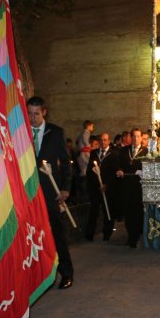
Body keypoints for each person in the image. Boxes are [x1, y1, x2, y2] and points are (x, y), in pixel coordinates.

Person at [27, 96, 74, 289]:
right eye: (29, 113)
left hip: (50, 192)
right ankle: (38, 276)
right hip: (28, 193)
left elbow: (66, 163)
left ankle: (66, 272)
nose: (32, 118)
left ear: (44, 112)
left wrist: (65, 188)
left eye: (36, 113)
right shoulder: (21, 132)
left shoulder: (55, 132)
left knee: (56, 234)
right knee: (31, 236)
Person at [116, 128, 148, 248]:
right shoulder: (124, 150)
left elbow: (149, 167)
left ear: (141, 138)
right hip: (126, 185)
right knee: (128, 212)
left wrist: (143, 171)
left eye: (138, 136)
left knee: (138, 212)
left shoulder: (146, 151)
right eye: (133, 136)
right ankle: (131, 236)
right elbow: (119, 164)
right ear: (130, 137)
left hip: (138, 186)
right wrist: (119, 170)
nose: (135, 138)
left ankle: (136, 236)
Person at [85, 133, 119, 241]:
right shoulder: (94, 153)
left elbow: (114, 172)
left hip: (107, 188)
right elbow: (90, 170)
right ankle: (89, 234)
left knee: (108, 211)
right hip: (96, 188)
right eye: (101, 140)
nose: (103, 142)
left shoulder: (114, 154)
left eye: (105, 140)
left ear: (109, 141)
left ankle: (107, 234)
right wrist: (92, 185)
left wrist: (106, 184)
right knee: (93, 211)